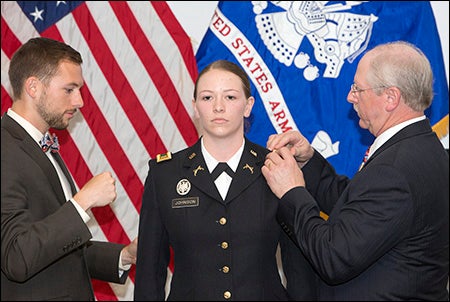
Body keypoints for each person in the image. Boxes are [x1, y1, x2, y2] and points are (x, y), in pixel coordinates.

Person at [261, 40, 449, 300]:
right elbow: (358, 206)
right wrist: (309, 162)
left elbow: (333, 257)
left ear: (391, 98)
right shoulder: (421, 147)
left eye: (358, 89)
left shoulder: (396, 168)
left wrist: (292, 191)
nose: (350, 97)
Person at [134, 60, 293, 301]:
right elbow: (149, 272)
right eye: (207, 98)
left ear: (248, 106)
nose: (218, 107)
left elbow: (298, 266)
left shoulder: (276, 168)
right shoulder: (165, 175)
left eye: (230, 97)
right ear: (195, 107)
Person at [1, 37, 137, 301]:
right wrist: (82, 201)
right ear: (33, 87)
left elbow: (59, 249)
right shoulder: (5, 147)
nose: (80, 101)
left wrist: (124, 256)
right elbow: (17, 256)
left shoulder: (41, 145)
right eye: (69, 89)